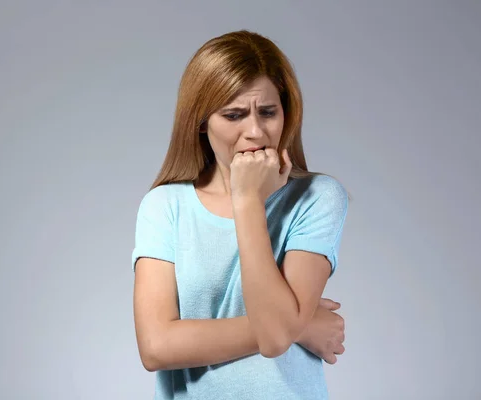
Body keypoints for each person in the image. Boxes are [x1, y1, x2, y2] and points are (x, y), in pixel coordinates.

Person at [131, 30, 349, 399]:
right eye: (234, 115)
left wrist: (247, 201)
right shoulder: (164, 206)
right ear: (201, 122)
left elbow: (276, 336)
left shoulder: (317, 197)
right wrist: (301, 326)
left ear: (287, 113)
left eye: (268, 112)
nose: (255, 131)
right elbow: (155, 347)